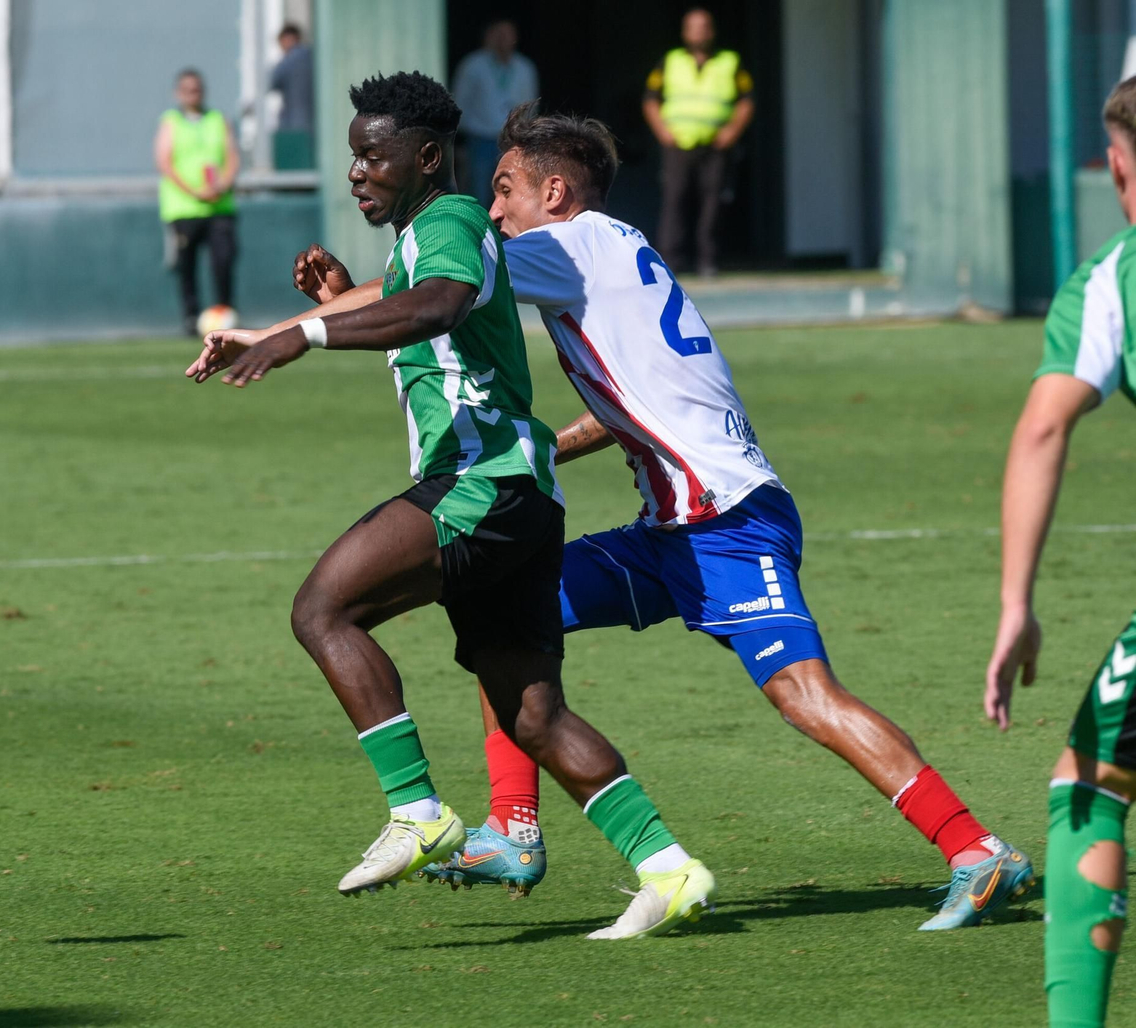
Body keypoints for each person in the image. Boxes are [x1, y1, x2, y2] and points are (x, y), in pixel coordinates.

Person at [290, 100, 1035, 936]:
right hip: (670, 526)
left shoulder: (568, 247)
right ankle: (513, 828)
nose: (494, 208)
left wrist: (328, 309)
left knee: (803, 694)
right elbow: (621, 413)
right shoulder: (614, 252)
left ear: (557, 192)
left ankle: (976, 848)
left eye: (506, 190)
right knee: (510, 620)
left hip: (728, 521)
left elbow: (448, 282)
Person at [185, 73, 707, 935]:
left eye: (372, 155)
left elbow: (440, 304)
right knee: (534, 715)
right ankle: (670, 868)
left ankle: (418, 814)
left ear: (426, 157)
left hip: (484, 479)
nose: (357, 171)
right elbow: (411, 302)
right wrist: (315, 311)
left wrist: (301, 336)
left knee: (324, 609)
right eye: (352, 156)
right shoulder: (424, 238)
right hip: (522, 494)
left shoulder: (453, 220)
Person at [984, 75, 1136, 1028]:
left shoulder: (1115, 279)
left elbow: (1044, 430)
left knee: (1091, 780)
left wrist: (1015, 603)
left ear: (1119, 168)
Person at [643, 8, 753, 278]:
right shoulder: (670, 61)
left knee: (713, 203)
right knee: (674, 201)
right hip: (678, 144)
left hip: (715, 146)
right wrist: (662, 131)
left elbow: (747, 100)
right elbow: (650, 98)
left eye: (704, 26)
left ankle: (708, 261)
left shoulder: (730, 62)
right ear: (684, 32)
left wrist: (732, 131)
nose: (699, 32)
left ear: (712, 31)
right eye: (693, 27)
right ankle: (671, 261)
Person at [154, 68, 240, 335]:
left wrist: (222, 184)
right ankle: (191, 317)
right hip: (184, 208)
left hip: (219, 206)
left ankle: (224, 312)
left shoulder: (217, 119)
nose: (194, 93)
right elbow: (164, 162)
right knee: (186, 266)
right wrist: (194, 191)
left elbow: (232, 156)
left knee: (224, 260)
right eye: (188, 89)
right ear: (178, 93)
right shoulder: (171, 121)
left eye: (198, 88)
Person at [451, 19, 537, 208]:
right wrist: (461, 142)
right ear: (489, 36)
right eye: (499, 34)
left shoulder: (525, 67)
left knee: (513, 193)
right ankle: (478, 235)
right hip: (480, 140)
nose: (504, 40)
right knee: (478, 193)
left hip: (513, 140)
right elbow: (460, 103)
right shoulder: (473, 65)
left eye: (508, 35)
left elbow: (531, 106)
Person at [269, 24, 314, 170]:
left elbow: (270, 81)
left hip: (293, 126)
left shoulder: (290, 60)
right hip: (313, 124)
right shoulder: (313, 57)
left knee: (294, 170)